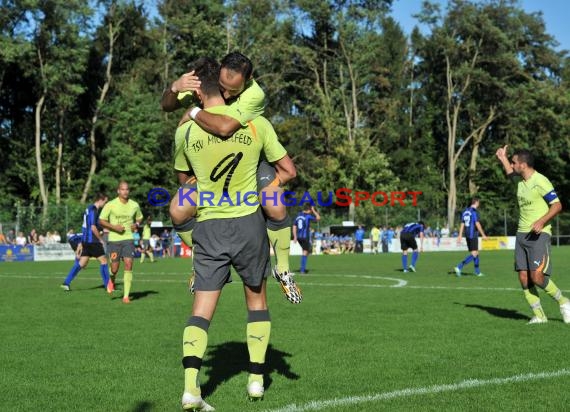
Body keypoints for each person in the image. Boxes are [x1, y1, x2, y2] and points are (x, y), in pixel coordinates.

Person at [173, 57, 297, 410]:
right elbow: (286, 170)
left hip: (209, 227)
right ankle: (256, 379)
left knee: (200, 311)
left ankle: (190, 389)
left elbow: (185, 183)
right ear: (228, 92)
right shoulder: (257, 123)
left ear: (199, 93)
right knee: (256, 301)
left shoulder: (184, 130)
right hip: (248, 225)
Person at [164, 52, 299, 302]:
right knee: (177, 210)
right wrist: (174, 88)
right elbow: (166, 105)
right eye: (222, 89)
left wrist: (193, 112)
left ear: (247, 82)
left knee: (273, 201)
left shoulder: (254, 96)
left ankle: (283, 270)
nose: (226, 95)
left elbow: (225, 127)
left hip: (248, 162)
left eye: (232, 91)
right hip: (211, 173)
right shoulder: (200, 85)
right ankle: (200, 262)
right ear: (216, 78)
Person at [496, 146, 570, 324]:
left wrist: (542, 221)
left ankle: (564, 302)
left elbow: (557, 205)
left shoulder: (540, 181)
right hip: (522, 236)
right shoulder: (520, 181)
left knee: (537, 277)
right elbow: (509, 173)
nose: (512, 166)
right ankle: (539, 316)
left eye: (514, 163)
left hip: (540, 235)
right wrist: (503, 158)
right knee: (523, 277)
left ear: (523, 165)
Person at [99, 181, 143, 304]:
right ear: (118, 191)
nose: (125, 191)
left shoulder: (134, 205)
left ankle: (126, 296)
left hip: (128, 239)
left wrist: (137, 224)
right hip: (114, 240)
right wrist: (114, 227)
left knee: (129, 263)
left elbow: (139, 217)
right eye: (122, 189)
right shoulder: (110, 205)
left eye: (127, 189)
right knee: (114, 268)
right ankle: (111, 279)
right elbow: (101, 220)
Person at [61, 193, 113, 293]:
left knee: (81, 263)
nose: (105, 204)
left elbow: (89, 226)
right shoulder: (94, 210)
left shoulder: (88, 209)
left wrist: (81, 242)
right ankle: (108, 286)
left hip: (86, 241)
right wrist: (101, 240)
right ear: (100, 200)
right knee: (104, 262)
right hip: (93, 241)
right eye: (105, 202)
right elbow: (93, 228)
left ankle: (66, 283)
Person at [454, 197, 488, 277]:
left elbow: (462, 224)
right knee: (474, 253)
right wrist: (483, 234)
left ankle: (477, 272)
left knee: (476, 252)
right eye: (478, 202)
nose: (479, 204)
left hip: (467, 234)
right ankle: (459, 266)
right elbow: (477, 223)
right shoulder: (474, 212)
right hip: (473, 234)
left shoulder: (465, 211)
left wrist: (460, 235)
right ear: (476, 202)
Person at [293, 204, 321, 274]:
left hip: (299, 237)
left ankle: (302, 268)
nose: (311, 212)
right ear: (309, 210)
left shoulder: (298, 216)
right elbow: (318, 218)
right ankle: (302, 270)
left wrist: (295, 236)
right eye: (311, 210)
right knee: (305, 252)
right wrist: (314, 210)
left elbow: (294, 226)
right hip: (305, 237)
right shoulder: (308, 216)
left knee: (305, 252)